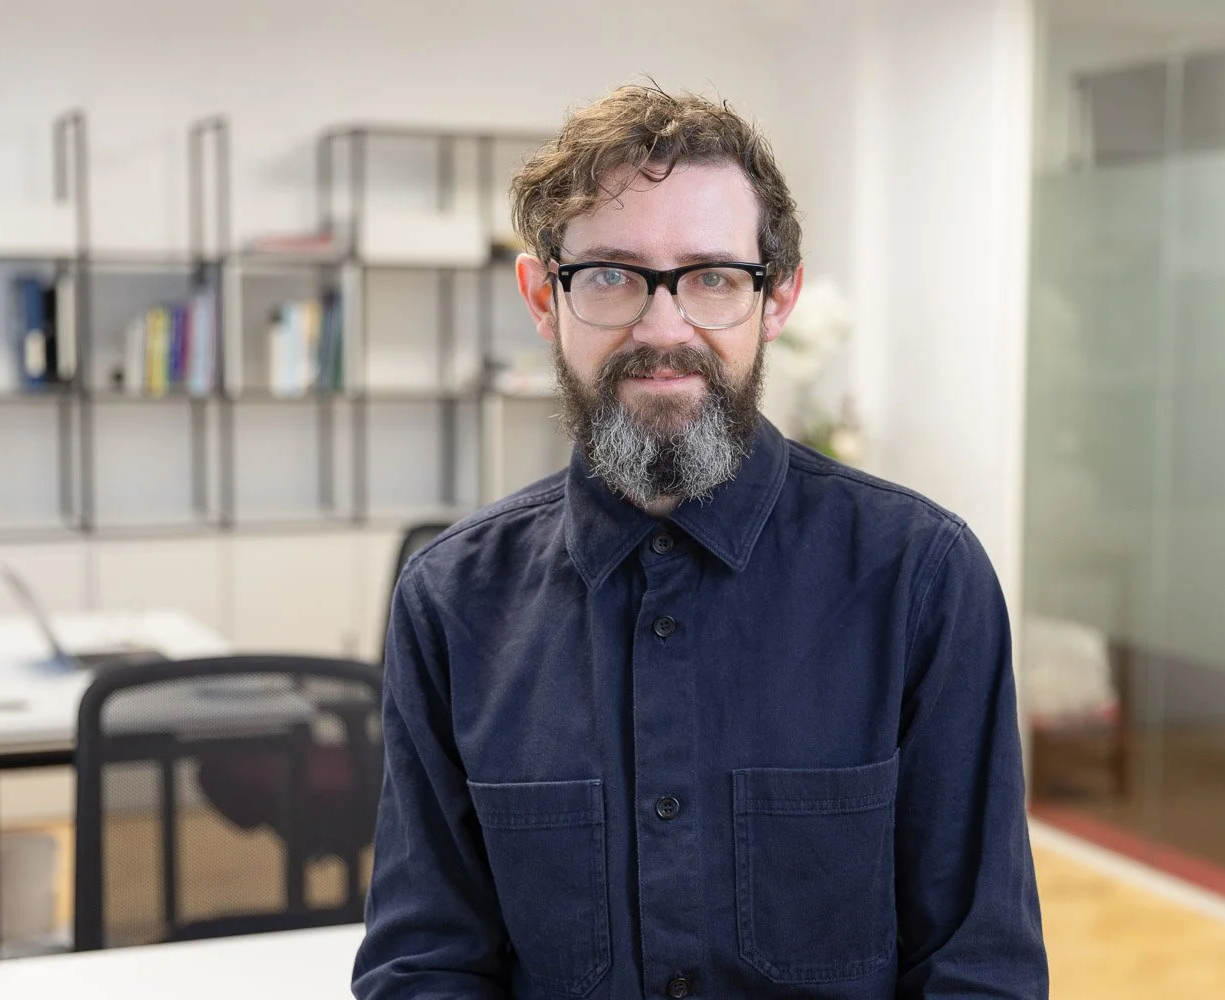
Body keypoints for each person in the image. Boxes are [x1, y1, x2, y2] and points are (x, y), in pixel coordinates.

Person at [352, 83, 1048, 1000]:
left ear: (780, 298)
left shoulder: (920, 579)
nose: (663, 328)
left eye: (714, 277)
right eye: (610, 276)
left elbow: (978, 969)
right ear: (540, 297)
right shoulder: (451, 601)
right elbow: (425, 964)